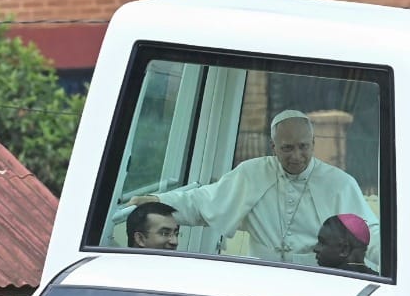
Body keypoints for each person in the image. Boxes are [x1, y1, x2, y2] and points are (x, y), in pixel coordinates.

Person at [130, 110, 378, 267]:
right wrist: (156, 200)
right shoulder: (252, 174)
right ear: (273, 147)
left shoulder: (339, 184)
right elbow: (201, 201)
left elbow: (367, 232)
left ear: (314, 143)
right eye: (287, 148)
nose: (297, 156)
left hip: (314, 276)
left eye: (304, 146)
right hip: (260, 273)